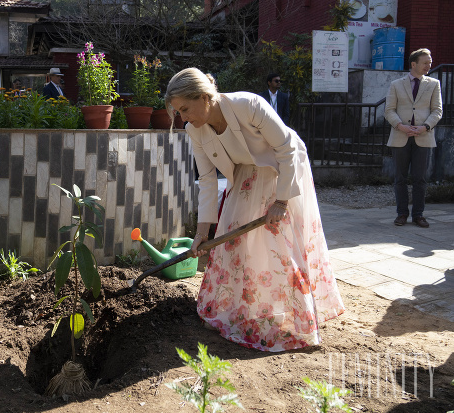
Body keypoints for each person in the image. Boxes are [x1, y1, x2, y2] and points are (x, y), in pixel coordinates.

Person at [165, 68, 344, 352]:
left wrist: (282, 202)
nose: (184, 117)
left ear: (203, 97)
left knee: (278, 243)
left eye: (185, 109)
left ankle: (293, 315)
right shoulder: (194, 130)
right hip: (246, 173)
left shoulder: (248, 105)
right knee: (235, 240)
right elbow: (208, 181)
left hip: (281, 167)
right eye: (179, 112)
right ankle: (244, 310)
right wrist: (202, 232)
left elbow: (287, 149)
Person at [384, 48, 442, 228]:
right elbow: (389, 110)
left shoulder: (434, 84)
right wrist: (400, 125)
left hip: (423, 137)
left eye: (430, 62)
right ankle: (402, 213)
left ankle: (418, 215)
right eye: (425, 62)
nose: (429, 65)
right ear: (414, 64)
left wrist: (424, 127)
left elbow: (437, 111)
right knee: (400, 178)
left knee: (420, 178)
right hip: (400, 135)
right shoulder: (396, 84)